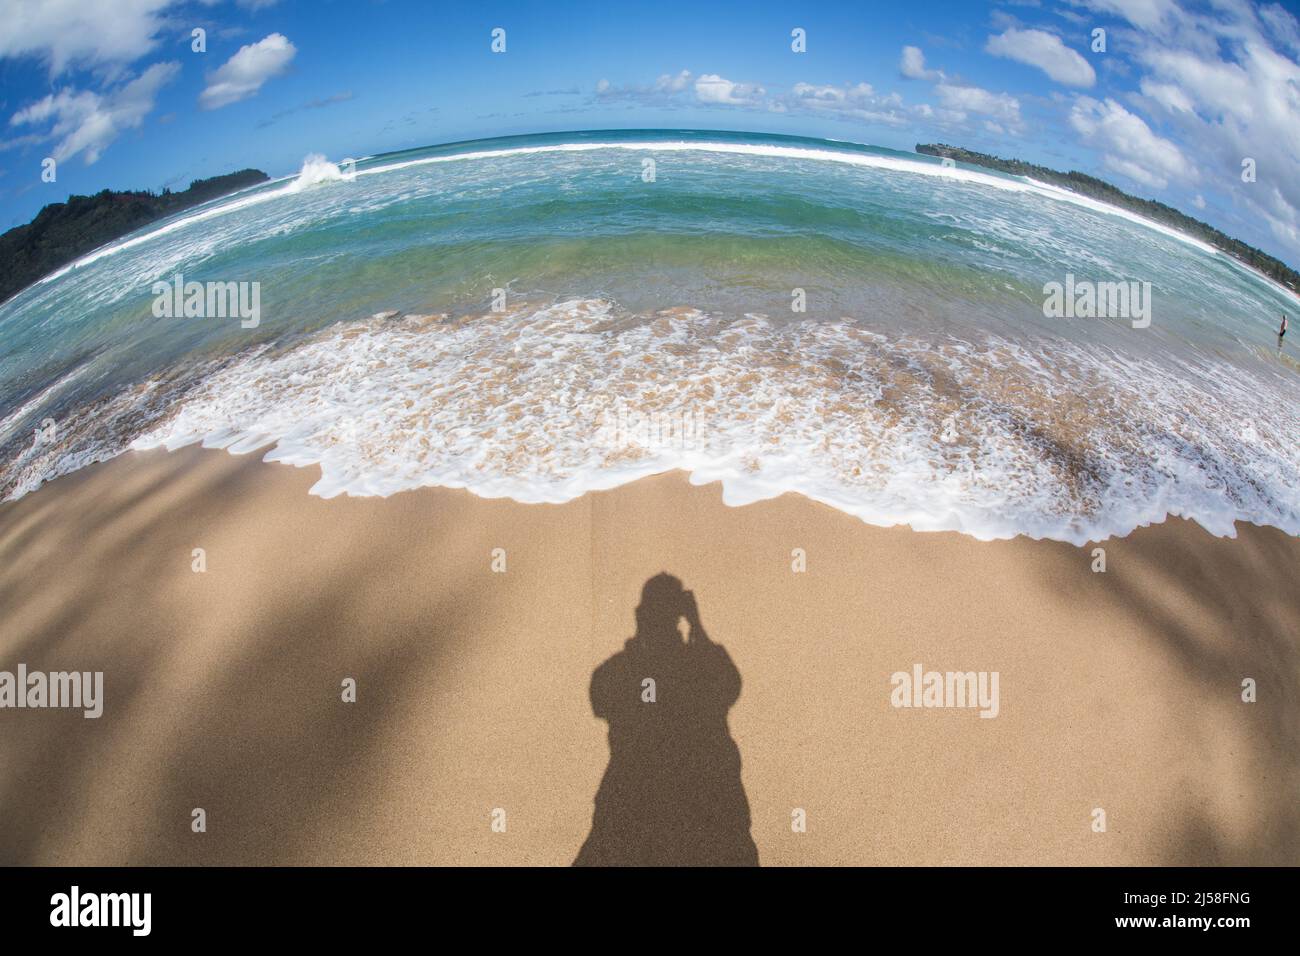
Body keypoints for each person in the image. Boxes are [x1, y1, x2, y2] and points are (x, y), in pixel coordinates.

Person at [574, 573, 759, 866]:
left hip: (696, 809)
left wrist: (696, 631)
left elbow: (728, 685)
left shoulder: (692, 666)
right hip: (644, 810)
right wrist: (693, 631)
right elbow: (601, 696)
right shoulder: (629, 670)